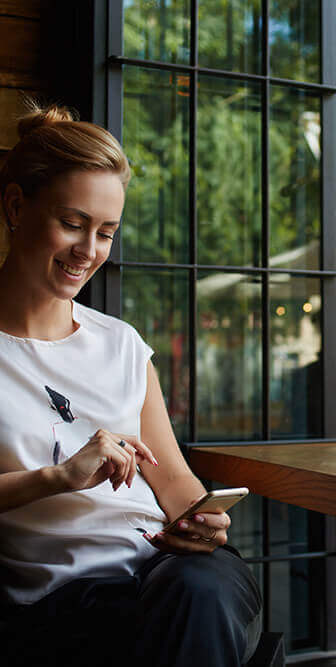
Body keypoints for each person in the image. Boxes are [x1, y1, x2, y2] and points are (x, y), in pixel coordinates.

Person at [0, 102, 261, 667]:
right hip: (61, 600)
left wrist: (204, 521)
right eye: (72, 224)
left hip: (170, 572)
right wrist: (60, 476)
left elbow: (174, 484)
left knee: (202, 589)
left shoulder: (121, 343)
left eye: (106, 232)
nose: (88, 251)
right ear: (17, 206)